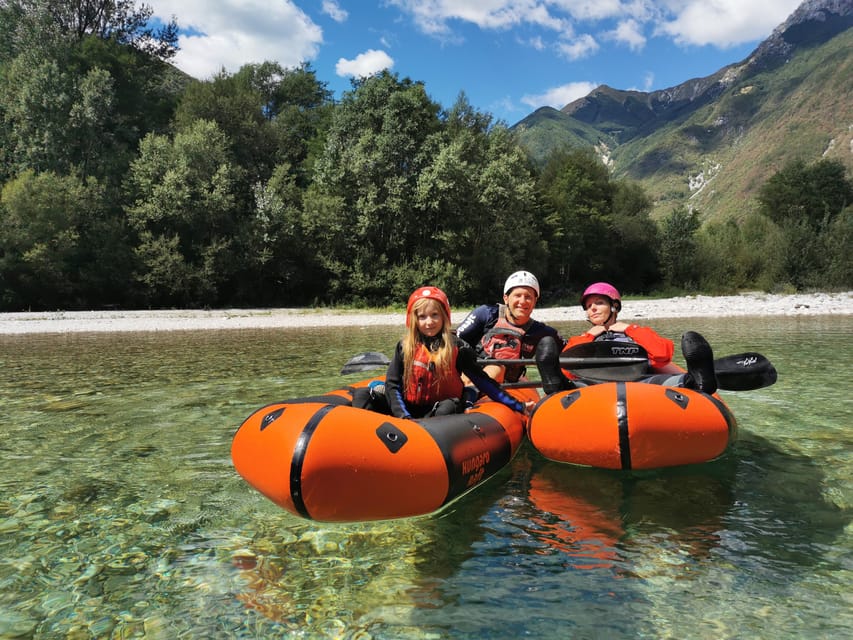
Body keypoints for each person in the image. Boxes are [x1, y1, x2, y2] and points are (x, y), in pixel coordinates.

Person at [535, 281, 717, 395]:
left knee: (677, 383)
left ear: (614, 306)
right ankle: (553, 384)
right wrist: (591, 335)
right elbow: (567, 369)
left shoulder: (636, 331)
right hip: (591, 385)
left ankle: (697, 378)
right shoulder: (581, 339)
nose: (593, 309)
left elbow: (662, 355)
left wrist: (630, 329)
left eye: (599, 303)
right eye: (589, 306)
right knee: (568, 385)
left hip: (640, 383)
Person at [381, 286, 535, 420]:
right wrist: (403, 416)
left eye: (435, 315)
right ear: (414, 320)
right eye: (422, 317)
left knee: (449, 406)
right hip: (409, 408)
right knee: (362, 395)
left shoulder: (458, 348)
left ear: (444, 317)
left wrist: (519, 406)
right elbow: (392, 384)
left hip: (442, 409)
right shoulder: (404, 346)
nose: (429, 322)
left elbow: (485, 383)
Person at [456, 271, 564, 385]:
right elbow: (453, 341)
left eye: (528, 297)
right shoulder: (486, 314)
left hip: (511, 383)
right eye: (517, 295)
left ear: (535, 301)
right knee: (494, 369)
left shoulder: (541, 331)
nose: (522, 301)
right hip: (474, 374)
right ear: (506, 298)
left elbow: (567, 349)